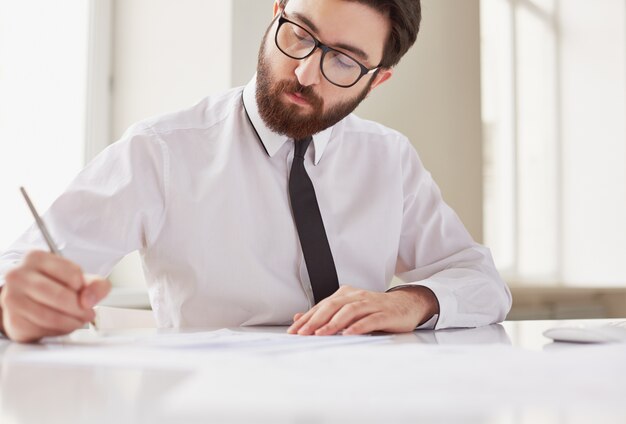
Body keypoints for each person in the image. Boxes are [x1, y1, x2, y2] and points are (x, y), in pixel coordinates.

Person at [0, 0, 512, 343]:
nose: (306, 71)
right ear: (275, 14)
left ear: (376, 81)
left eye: (344, 62)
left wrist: (415, 300)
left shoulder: (389, 158)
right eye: (300, 34)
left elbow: (482, 281)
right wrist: (13, 304)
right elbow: (20, 265)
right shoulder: (160, 151)